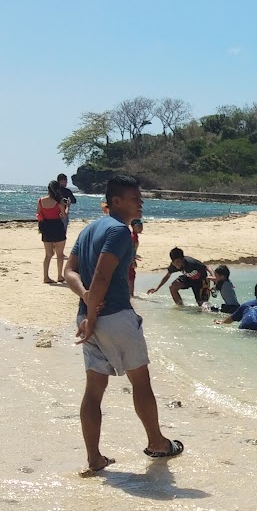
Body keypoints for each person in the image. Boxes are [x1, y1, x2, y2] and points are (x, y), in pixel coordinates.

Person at [62, 173, 181, 471]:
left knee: (93, 389)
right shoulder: (118, 231)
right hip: (112, 316)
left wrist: (86, 299)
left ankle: (94, 458)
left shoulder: (89, 229)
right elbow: (102, 275)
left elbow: (69, 272)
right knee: (140, 381)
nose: (140, 203)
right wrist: (92, 313)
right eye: (134, 198)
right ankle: (156, 442)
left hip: (88, 316)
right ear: (116, 201)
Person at [36, 182, 69, 283]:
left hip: (46, 228)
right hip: (58, 227)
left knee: (48, 254)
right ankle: (59, 276)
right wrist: (68, 206)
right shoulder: (59, 202)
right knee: (60, 254)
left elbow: (38, 213)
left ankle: (46, 276)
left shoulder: (41, 200)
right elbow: (64, 216)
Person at [127, 216, 143, 296]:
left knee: (130, 276)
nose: (141, 228)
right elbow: (130, 250)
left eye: (141, 226)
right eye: (139, 226)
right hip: (128, 260)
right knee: (131, 276)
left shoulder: (135, 236)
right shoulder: (132, 237)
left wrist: (135, 256)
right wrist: (133, 261)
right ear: (133, 226)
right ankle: (130, 294)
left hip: (130, 259)